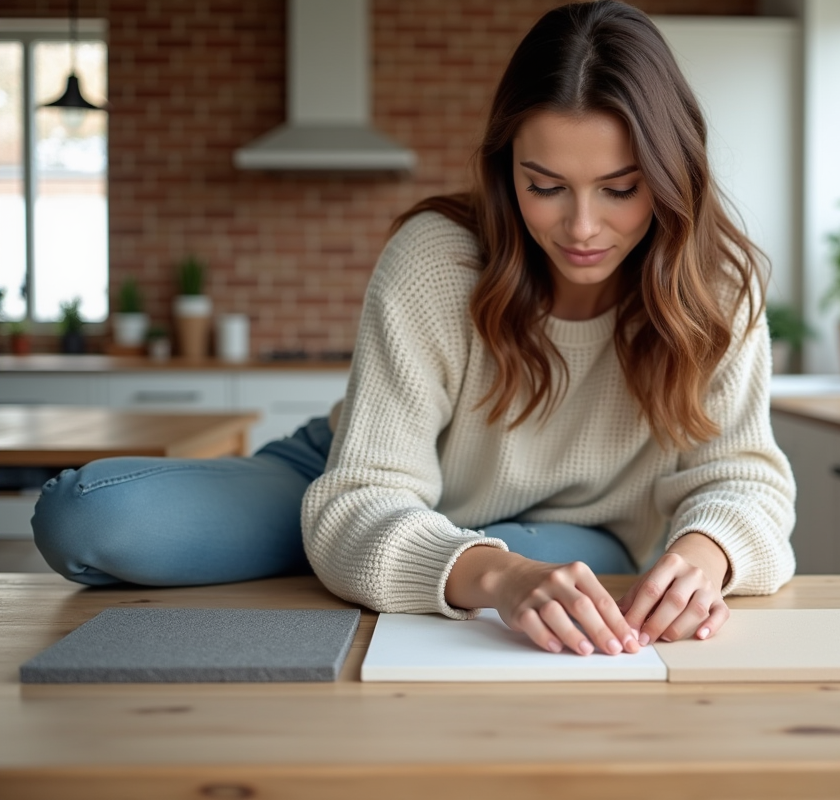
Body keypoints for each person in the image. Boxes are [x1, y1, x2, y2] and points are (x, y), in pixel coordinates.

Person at [33, 0, 795, 658]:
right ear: (507, 172)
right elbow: (363, 488)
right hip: (357, 472)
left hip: (560, 531)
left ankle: (383, 562)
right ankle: (380, 558)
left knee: (579, 574)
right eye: (546, 187)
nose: (583, 226)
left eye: (621, 189)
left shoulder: (717, 286)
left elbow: (746, 480)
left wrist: (705, 552)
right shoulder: (438, 261)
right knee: (87, 516)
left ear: (669, 173)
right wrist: (475, 569)